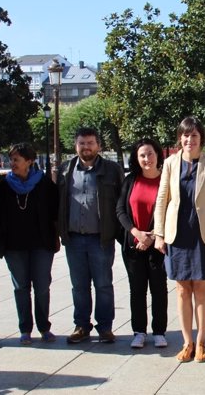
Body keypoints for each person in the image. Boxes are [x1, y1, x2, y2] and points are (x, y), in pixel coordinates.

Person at [154, 117, 205, 363]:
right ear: (180, 138)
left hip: (202, 235)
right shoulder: (171, 163)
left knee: (201, 289)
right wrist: (159, 233)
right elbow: (162, 199)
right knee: (182, 290)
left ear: (201, 139)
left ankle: (202, 343)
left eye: (194, 135)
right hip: (177, 235)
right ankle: (187, 342)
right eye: (185, 135)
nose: (189, 139)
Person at [57, 127, 124, 344]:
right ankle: (81, 326)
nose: (86, 147)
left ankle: (105, 327)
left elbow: (121, 202)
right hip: (74, 238)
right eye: (82, 143)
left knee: (103, 284)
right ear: (75, 146)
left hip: (101, 239)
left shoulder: (112, 170)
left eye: (90, 143)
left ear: (99, 146)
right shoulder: (65, 169)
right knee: (79, 285)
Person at [0, 143, 59, 345]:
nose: (12, 163)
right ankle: (25, 329)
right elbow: (0, 216)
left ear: (29, 161)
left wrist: (56, 236)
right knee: (21, 288)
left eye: (16, 159)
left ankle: (44, 327)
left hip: (41, 244)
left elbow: (54, 211)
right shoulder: (5, 185)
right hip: (14, 246)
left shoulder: (44, 183)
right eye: (11, 159)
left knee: (42, 287)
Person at [116, 138, 168, 350]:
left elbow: (170, 210)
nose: (147, 159)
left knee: (159, 289)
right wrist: (136, 233)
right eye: (142, 155)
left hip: (157, 246)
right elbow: (120, 210)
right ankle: (139, 331)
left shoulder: (166, 180)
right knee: (136, 289)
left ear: (157, 154)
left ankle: (159, 332)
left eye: (150, 154)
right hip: (133, 245)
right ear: (137, 159)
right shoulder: (130, 180)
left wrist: (153, 236)